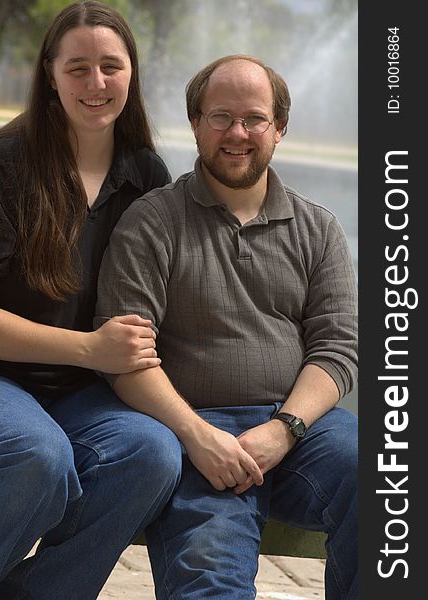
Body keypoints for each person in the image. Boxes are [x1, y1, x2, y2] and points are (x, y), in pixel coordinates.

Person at [0, 2, 183, 598]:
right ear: (49, 74)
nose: (96, 83)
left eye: (110, 66)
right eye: (77, 68)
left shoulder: (146, 176)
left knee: (151, 453)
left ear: (132, 74)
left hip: (68, 396)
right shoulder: (0, 166)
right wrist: (90, 349)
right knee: (35, 454)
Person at [95, 54, 358, 600]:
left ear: (278, 129)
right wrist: (199, 436)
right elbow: (126, 359)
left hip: (303, 434)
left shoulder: (319, 229)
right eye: (220, 117)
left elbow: (337, 352)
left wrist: (283, 430)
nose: (237, 133)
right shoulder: (151, 222)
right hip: (196, 435)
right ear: (195, 123)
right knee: (210, 578)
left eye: (254, 119)